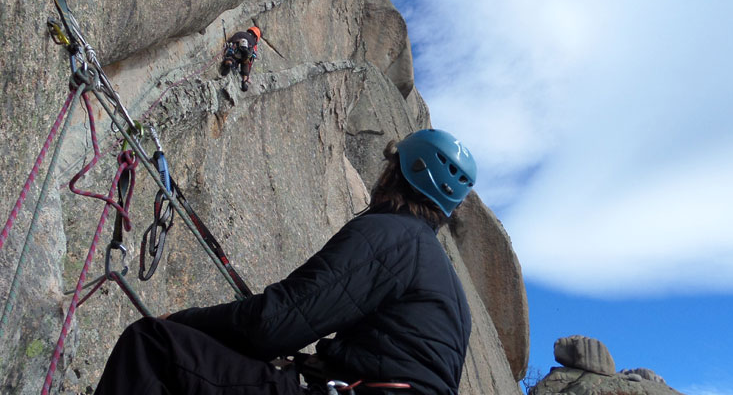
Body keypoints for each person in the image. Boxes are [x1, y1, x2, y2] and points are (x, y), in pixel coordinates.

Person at [93, 129, 477, 394]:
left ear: (402, 171)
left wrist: (178, 320)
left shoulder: (391, 236)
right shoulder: (450, 290)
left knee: (152, 347)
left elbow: (273, 324)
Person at [221, 26, 261, 92]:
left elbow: (230, 41)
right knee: (246, 63)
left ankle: (228, 64)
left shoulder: (240, 33)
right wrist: (247, 75)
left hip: (236, 48)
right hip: (246, 54)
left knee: (231, 57)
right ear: (256, 37)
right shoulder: (253, 43)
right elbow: (251, 61)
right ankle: (244, 82)